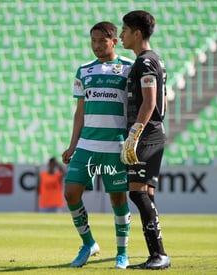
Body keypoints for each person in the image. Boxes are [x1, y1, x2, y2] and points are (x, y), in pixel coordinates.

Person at [62, 21, 133, 269]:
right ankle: (88, 243)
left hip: (115, 146)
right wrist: (72, 146)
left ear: (113, 41)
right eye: (92, 41)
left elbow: (134, 109)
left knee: (117, 199)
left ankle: (122, 253)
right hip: (87, 146)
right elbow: (79, 113)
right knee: (70, 192)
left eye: (101, 41)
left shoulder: (128, 68)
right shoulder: (83, 71)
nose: (96, 46)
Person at [119, 10, 171, 270]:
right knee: (146, 194)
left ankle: (159, 254)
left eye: (124, 31)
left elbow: (150, 102)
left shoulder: (145, 62)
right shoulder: (154, 60)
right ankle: (157, 254)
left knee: (139, 194)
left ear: (137, 33)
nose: (121, 36)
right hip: (153, 133)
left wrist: (134, 133)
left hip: (147, 134)